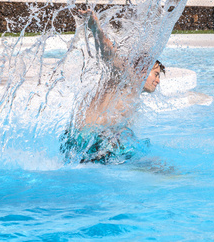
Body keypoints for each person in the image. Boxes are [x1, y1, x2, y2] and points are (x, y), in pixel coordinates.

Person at [60, 9, 165, 164]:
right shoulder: (126, 77)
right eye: (156, 74)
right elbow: (109, 53)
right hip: (88, 139)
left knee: (135, 143)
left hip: (78, 140)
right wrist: (95, 28)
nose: (158, 80)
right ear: (143, 69)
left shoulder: (131, 93)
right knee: (149, 160)